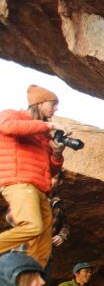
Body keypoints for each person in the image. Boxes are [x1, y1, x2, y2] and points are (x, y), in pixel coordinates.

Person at [0, 85, 66, 268]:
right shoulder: (12, 115)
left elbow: (51, 171)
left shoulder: (43, 135)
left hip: (40, 189)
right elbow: (7, 127)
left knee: (43, 247)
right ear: (40, 103)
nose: (56, 109)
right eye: (53, 104)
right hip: (19, 182)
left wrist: (57, 154)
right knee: (31, 226)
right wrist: (48, 125)